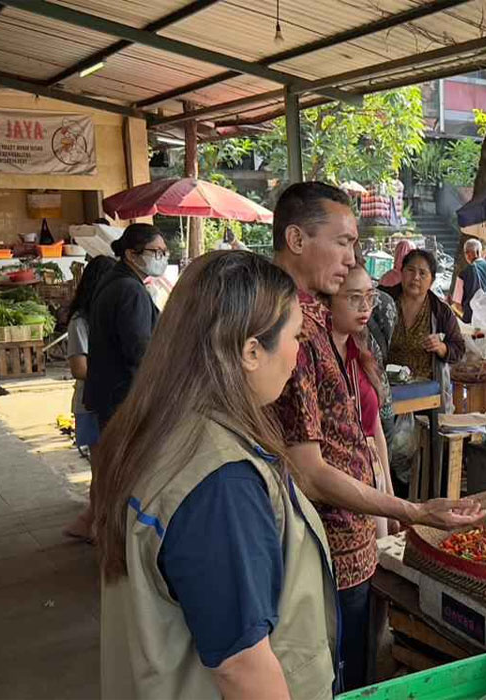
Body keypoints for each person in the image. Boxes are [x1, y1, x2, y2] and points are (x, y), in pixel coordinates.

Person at [95, 251, 338, 699]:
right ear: (251, 352)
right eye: (296, 336)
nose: (297, 354)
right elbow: (243, 669)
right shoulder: (221, 482)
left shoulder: (155, 428)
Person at [270, 182, 483, 691]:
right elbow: (309, 471)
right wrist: (414, 511)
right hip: (321, 544)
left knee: (357, 660)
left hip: (353, 532)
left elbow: (360, 435)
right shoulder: (286, 327)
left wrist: (388, 508)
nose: (352, 257)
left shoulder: (322, 327)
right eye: (343, 242)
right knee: (333, 671)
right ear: (296, 240)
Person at [328, 264, 396, 537]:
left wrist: (389, 494)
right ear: (329, 299)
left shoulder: (362, 352)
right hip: (337, 485)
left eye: (369, 297)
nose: (365, 307)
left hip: (372, 472)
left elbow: (375, 428)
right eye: (354, 297)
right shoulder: (316, 358)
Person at [84, 223, 166, 429]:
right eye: (156, 252)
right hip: (124, 396)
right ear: (131, 254)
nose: (162, 258)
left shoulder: (115, 280)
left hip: (110, 394)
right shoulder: (130, 289)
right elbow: (139, 349)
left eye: (164, 252)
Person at [61, 255, 117, 541]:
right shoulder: (81, 322)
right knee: (101, 468)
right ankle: (92, 523)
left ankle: (93, 522)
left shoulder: (110, 317)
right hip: (91, 403)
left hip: (109, 401)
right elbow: (79, 369)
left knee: (109, 467)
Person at [384, 248, 467, 382]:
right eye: (410, 270)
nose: (415, 277)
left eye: (422, 273)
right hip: (384, 385)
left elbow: (458, 349)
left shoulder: (441, 311)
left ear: (432, 281)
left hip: (424, 388)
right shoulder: (384, 302)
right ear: (402, 272)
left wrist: (441, 347)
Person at [453, 238, 486, 324]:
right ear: (479, 252)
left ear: (468, 254)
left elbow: (457, 304)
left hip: (471, 319)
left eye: (466, 252)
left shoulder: (463, 274)